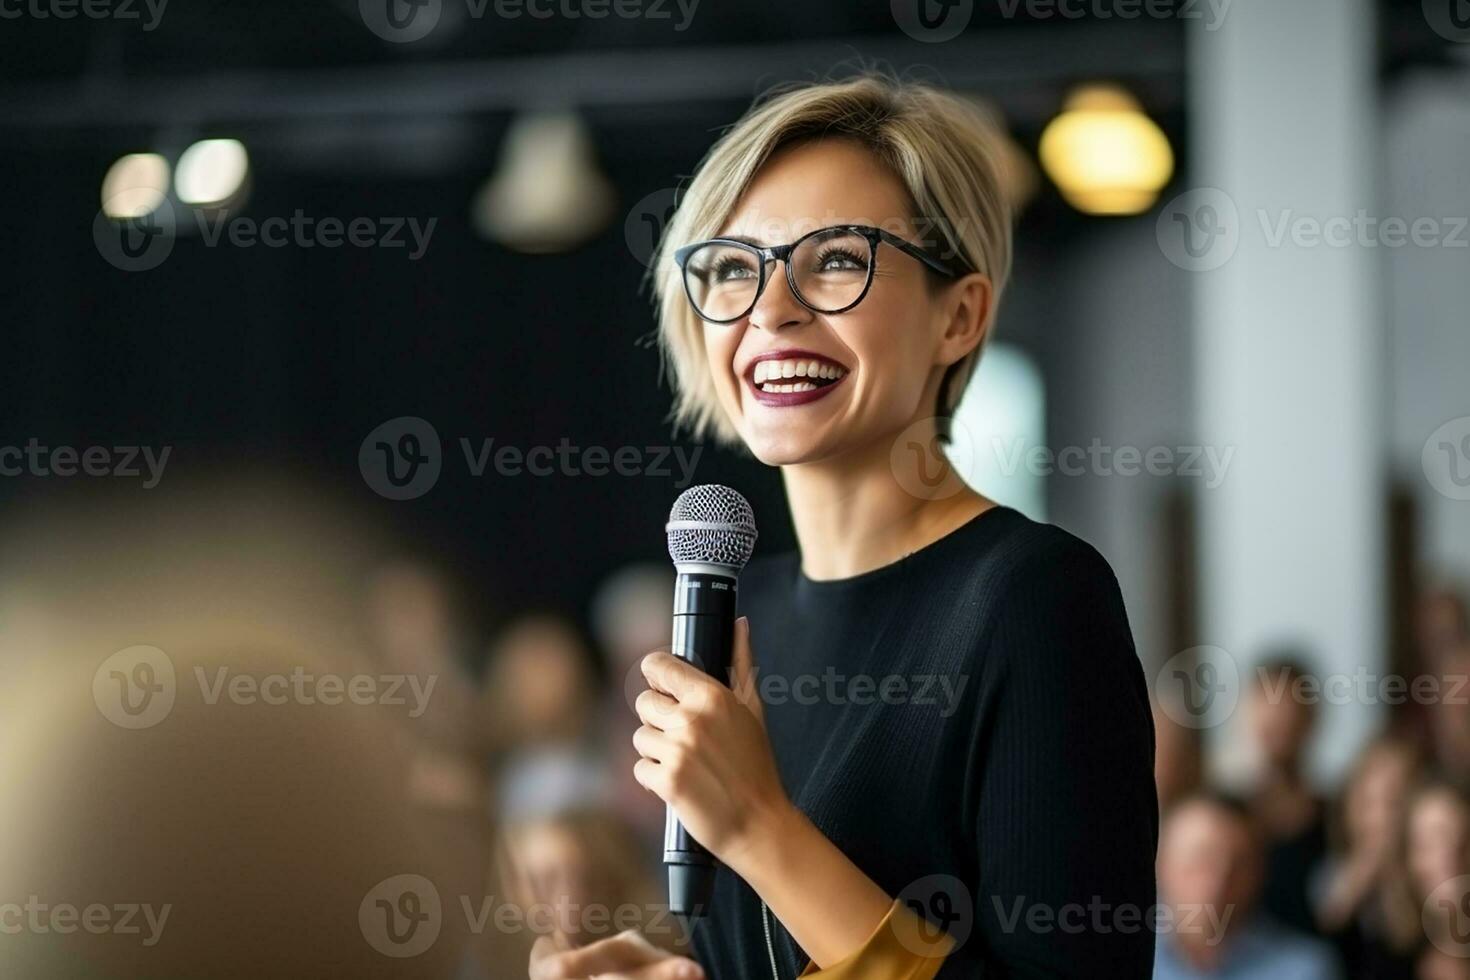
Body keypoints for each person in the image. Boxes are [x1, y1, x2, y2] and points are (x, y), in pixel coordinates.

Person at [530, 72, 1157, 979]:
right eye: (736, 267)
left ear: (960, 315)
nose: (771, 311)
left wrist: (760, 829)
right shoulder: (751, 610)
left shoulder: (1033, 598)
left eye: (834, 260)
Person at [1154, 794, 1341, 980]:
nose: (1218, 882)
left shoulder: (1304, 968)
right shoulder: (1128, 957)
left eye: (1238, 865)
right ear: (1161, 867)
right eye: (1201, 861)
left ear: (1261, 874)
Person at [1318, 736, 1423, 980]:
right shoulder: (1330, 871)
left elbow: (1408, 938)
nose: (1382, 817)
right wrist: (1362, 872)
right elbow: (1325, 927)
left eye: (1394, 803)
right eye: (1370, 803)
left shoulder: (1425, 873)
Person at [1245, 656, 1329, 935]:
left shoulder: (1340, 817)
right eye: (1267, 706)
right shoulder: (1227, 815)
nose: (1278, 718)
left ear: (1312, 718)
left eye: (1289, 709)